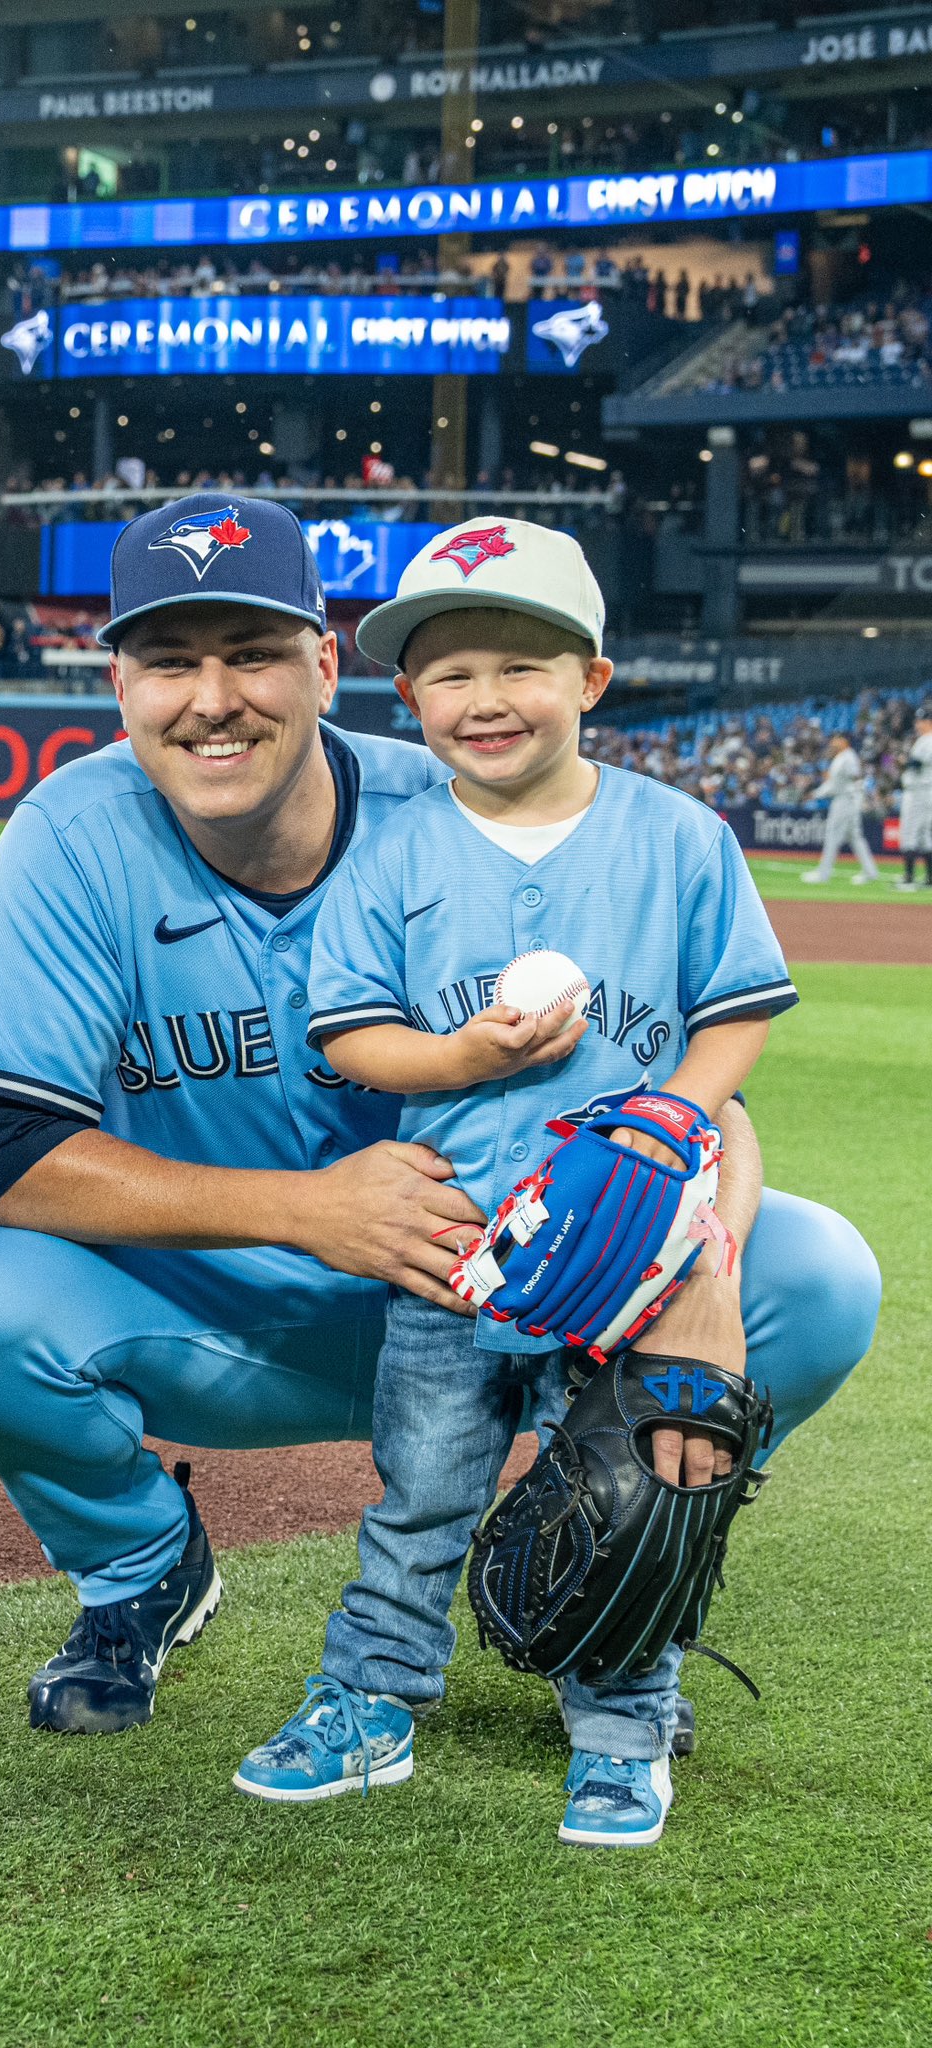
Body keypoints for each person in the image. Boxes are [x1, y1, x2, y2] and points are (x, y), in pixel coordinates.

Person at [0, 495, 880, 1754]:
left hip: (508, 1299)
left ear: (320, 662)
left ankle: (597, 1536)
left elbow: (686, 1077)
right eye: (168, 659)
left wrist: (710, 1259)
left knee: (819, 1275)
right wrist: (308, 1211)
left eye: (248, 651)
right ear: (117, 681)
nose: (210, 697)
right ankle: (140, 1564)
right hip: (223, 1315)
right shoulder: (72, 838)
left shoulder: (465, 803)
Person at [230, 520, 793, 1848]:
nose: (487, 699)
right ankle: (371, 1700)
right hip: (456, 1249)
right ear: (408, 698)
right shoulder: (394, 851)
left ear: (592, 679)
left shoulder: (678, 835)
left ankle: (622, 1722)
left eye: (524, 665)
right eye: (453, 672)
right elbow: (350, 1035)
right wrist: (459, 1052)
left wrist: (679, 1108)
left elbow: (738, 1014)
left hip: (631, 1261)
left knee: (622, 1490)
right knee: (419, 1488)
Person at [801, 729, 879, 885]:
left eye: (836, 739)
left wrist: (816, 794)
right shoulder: (842, 757)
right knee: (855, 838)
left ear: (843, 740)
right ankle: (870, 872)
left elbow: (852, 779)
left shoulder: (848, 757)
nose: (833, 742)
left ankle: (823, 874)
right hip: (846, 800)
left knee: (833, 836)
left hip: (845, 801)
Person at [896, 707, 932, 890]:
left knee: (909, 833)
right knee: (926, 835)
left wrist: (903, 760)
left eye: (921, 721)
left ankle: (909, 878)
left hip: (919, 791)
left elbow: (917, 764)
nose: (917, 724)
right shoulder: (924, 740)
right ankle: (929, 879)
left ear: (928, 722)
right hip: (925, 791)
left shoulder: (928, 740)